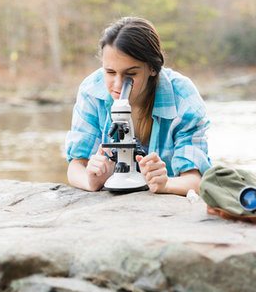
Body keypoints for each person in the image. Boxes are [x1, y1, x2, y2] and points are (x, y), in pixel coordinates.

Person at [65, 17, 211, 195]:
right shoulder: (91, 91)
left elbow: (195, 180)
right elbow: (76, 166)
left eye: (131, 73)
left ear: (152, 68)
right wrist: (91, 180)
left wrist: (166, 184)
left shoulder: (183, 97)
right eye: (110, 72)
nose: (118, 85)